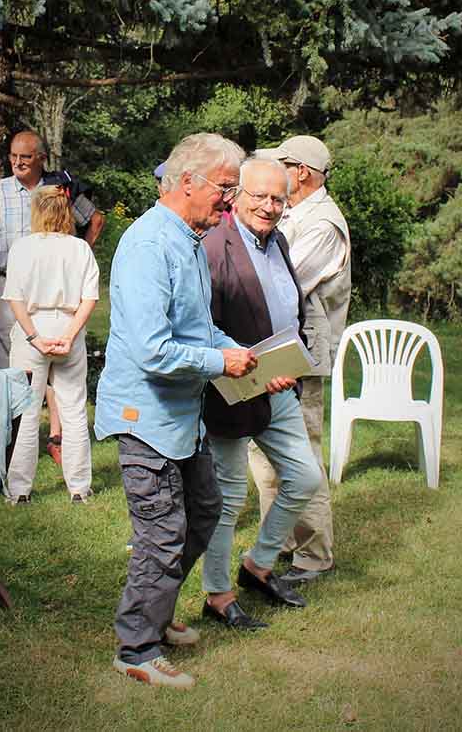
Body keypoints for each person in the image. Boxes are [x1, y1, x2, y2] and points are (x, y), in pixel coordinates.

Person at [94, 133, 257, 690]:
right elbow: (153, 350)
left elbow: (199, 330)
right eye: (226, 189)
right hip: (147, 418)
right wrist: (220, 363)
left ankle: (153, 615)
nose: (230, 202)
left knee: (204, 513)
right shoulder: (148, 246)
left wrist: (250, 358)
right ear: (188, 181)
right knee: (162, 534)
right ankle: (136, 648)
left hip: (182, 417)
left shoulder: (188, 239)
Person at [201, 158, 321, 631]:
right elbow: (202, 325)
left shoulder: (280, 240)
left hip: (279, 385)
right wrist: (250, 365)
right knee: (229, 499)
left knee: (305, 477)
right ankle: (218, 595)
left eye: (279, 199)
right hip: (230, 388)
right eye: (260, 197)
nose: (269, 207)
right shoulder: (214, 246)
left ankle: (258, 565)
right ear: (238, 195)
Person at [250, 135, 351, 586]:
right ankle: (277, 545)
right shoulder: (297, 214)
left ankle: (314, 554)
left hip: (301, 354)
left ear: (302, 172)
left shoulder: (323, 224)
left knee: (300, 454)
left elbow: (285, 282)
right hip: (277, 347)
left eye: (282, 167)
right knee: (263, 451)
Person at [0, 131, 105, 464]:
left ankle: (57, 439)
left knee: (59, 376)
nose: (17, 162)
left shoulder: (58, 187)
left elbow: (95, 219)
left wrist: (80, 254)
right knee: (14, 375)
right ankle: (9, 447)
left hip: (57, 292)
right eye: (13, 156)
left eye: (25, 157)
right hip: (12, 290)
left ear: (41, 158)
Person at [1, 183, 99, 504]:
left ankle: (19, 489)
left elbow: (14, 297)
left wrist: (33, 337)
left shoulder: (23, 248)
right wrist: (70, 335)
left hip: (34, 329)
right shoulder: (80, 248)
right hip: (69, 326)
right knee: (73, 410)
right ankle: (80, 487)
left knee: (25, 412)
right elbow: (89, 298)